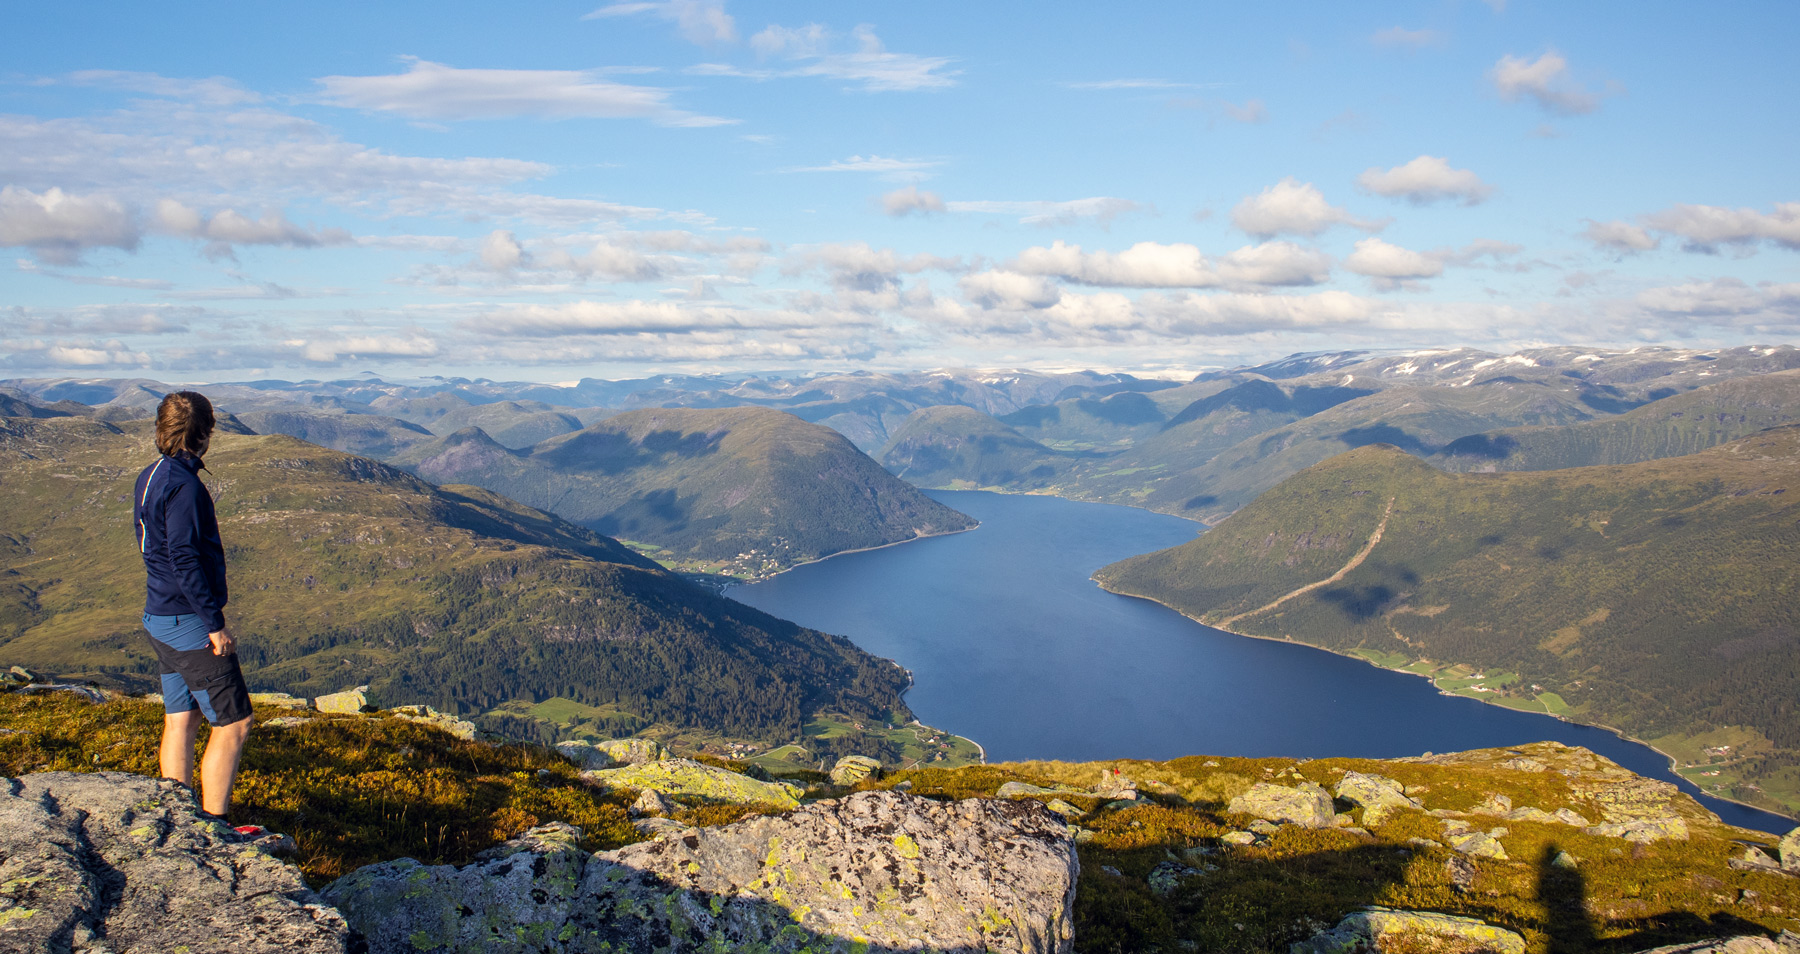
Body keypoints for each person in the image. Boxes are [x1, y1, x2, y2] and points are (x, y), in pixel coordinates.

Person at [134, 390, 252, 818]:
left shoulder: (150, 475)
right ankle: (214, 824)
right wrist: (213, 622)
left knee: (181, 717)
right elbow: (183, 557)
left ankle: (177, 815)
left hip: (159, 616)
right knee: (235, 723)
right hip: (186, 622)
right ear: (205, 433)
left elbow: (153, 545)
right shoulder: (185, 487)